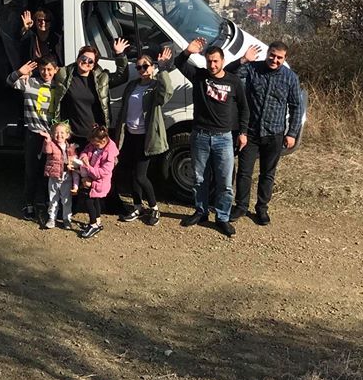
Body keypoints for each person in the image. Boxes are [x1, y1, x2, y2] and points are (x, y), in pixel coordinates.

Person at [174, 38, 249, 237]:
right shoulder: (199, 76)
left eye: (216, 61)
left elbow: (244, 108)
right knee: (200, 179)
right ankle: (201, 211)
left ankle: (222, 217)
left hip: (224, 138)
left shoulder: (233, 81)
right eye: (209, 61)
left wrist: (243, 133)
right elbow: (178, 63)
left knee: (225, 182)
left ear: (223, 61)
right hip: (200, 136)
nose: (212, 65)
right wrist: (187, 51)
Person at [225, 41, 303, 226]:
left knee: (268, 173)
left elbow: (296, 107)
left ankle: (262, 208)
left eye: (279, 57)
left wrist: (291, 133)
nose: (274, 60)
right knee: (245, 172)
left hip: (274, 133)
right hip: (250, 132)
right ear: (267, 54)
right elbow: (228, 74)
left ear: (285, 58)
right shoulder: (253, 69)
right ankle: (241, 206)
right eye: (272, 55)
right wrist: (243, 59)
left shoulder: (290, 77)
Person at [114, 46, 175, 226]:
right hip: (130, 135)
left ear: (152, 67)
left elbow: (167, 94)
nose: (143, 70)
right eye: (139, 67)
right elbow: (124, 110)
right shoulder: (132, 85)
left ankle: (154, 208)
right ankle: (137, 205)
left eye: (146, 66)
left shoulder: (156, 86)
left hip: (145, 137)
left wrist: (163, 68)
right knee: (133, 174)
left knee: (141, 176)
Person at [50, 38, 130, 148]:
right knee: (71, 165)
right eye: (83, 58)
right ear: (78, 58)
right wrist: (25, 74)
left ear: (94, 65)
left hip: (95, 137)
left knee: (93, 165)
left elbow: (122, 76)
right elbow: (46, 73)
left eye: (90, 61)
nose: (86, 62)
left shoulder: (101, 79)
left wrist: (120, 54)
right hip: (71, 136)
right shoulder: (64, 76)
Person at [7, 55, 59, 221]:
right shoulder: (30, 82)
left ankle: (45, 202)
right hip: (33, 134)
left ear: (56, 70)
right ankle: (29, 203)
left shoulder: (59, 87)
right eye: (43, 69)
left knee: (49, 171)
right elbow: (9, 82)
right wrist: (19, 72)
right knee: (31, 170)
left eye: (50, 69)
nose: (46, 73)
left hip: (52, 137)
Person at [74, 124, 119, 239]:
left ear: (103, 140)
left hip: (99, 182)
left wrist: (88, 168)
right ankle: (97, 221)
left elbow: (104, 172)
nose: (94, 145)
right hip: (91, 177)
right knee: (95, 201)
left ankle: (93, 224)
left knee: (89, 200)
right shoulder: (94, 145)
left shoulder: (109, 153)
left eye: (96, 144)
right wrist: (83, 156)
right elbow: (86, 150)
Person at [39, 121, 79, 230]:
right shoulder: (51, 144)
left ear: (67, 135)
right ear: (52, 134)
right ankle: (52, 218)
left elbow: (73, 161)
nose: (59, 135)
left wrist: (73, 164)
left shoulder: (70, 147)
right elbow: (47, 151)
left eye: (62, 133)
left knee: (66, 200)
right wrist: (47, 140)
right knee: (53, 199)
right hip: (54, 176)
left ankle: (67, 219)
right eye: (56, 133)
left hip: (66, 177)